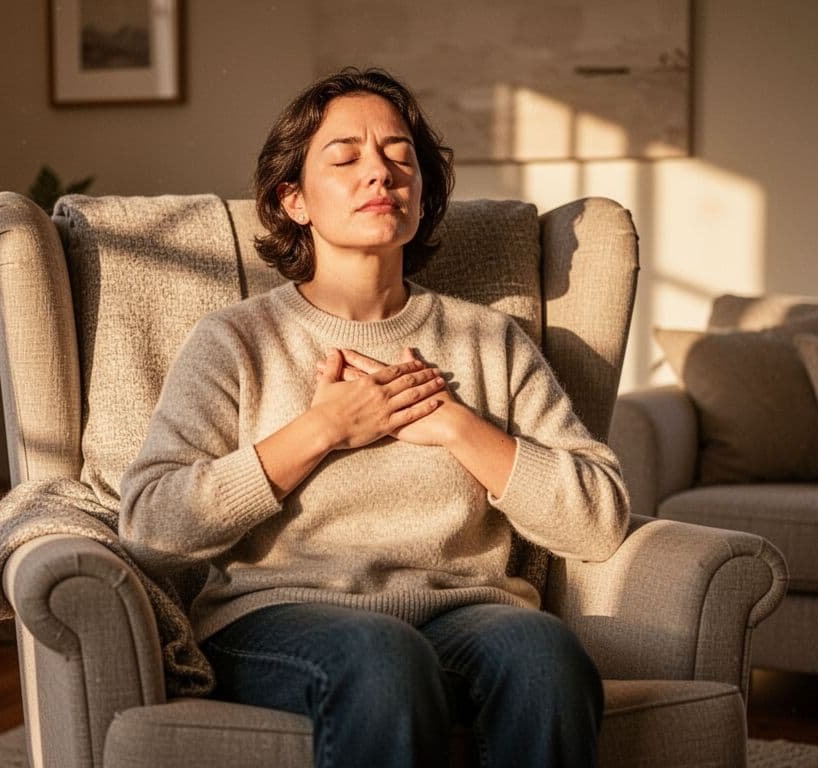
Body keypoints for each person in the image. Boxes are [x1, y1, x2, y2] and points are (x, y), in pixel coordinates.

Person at [118, 67, 630, 767]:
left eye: (399, 156)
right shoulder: (236, 340)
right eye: (346, 157)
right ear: (292, 199)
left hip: (464, 614)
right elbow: (151, 520)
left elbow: (598, 517)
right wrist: (323, 429)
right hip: (276, 618)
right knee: (382, 656)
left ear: (422, 193)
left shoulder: (489, 340)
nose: (381, 174)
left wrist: (456, 425)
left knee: (545, 655)